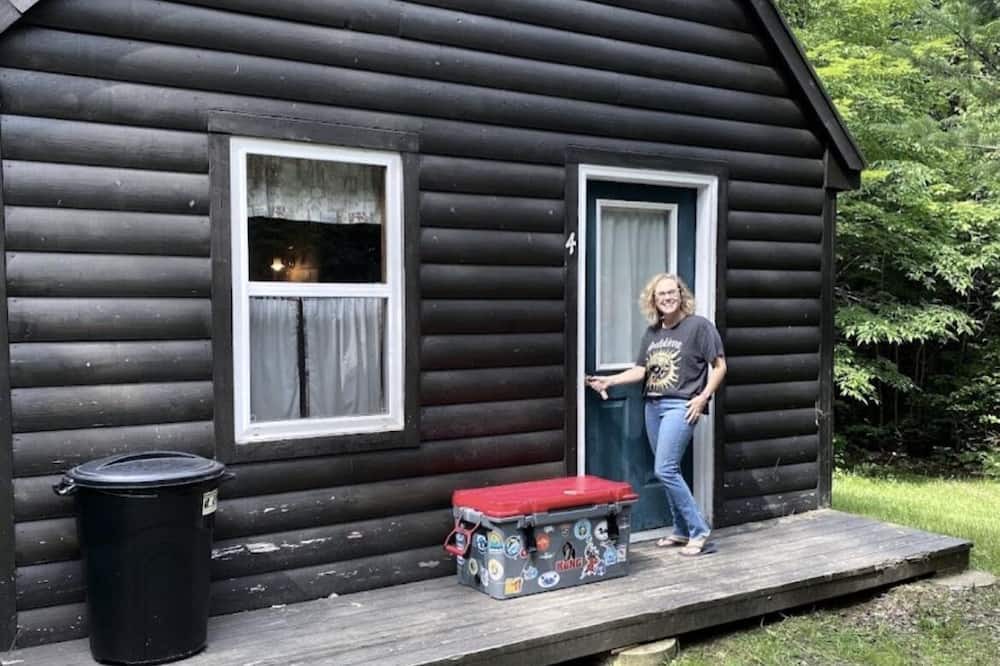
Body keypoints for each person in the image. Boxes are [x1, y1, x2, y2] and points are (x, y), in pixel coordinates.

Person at [586, 273, 726, 556]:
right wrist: (610, 381)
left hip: (681, 405)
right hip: (652, 405)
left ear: (681, 295)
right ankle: (680, 529)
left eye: (672, 292)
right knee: (666, 470)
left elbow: (720, 366)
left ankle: (699, 531)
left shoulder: (699, 326)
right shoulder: (653, 333)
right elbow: (641, 370)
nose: (667, 298)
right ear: (654, 300)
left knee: (665, 469)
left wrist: (703, 397)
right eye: (661, 294)